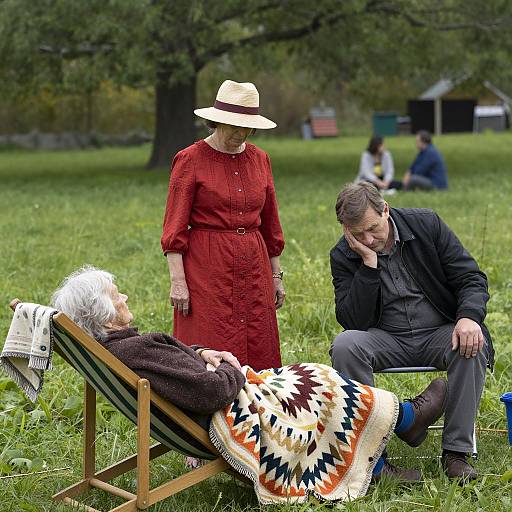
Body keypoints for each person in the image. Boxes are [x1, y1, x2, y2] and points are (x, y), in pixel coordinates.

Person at [51, 265, 448, 500]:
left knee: (307, 378)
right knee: (319, 382)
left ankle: (394, 432)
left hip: (215, 393)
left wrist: (202, 354)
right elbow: (210, 392)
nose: (123, 296)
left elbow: (178, 371)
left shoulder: (120, 350)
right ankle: (404, 424)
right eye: (114, 295)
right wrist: (232, 369)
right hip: (226, 410)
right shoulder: (135, 352)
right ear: (104, 317)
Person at [329, 182, 491, 480]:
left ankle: (456, 454)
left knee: (473, 343)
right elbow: (352, 320)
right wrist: (368, 264)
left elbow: (470, 277)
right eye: (357, 233)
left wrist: (469, 317)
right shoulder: (344, 255)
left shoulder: (425, 224)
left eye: (373, 228)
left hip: (439, 331)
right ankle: (374, 461)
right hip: (386, 338)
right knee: (345, 344)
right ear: (345, 230)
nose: (368, 238)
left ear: (386, 210)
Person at [161, 80, 285, 373]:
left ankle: (258, 411)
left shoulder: (260, 159)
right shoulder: (190, 159)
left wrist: (276, 275)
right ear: (216, 121)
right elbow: (174, 228)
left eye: (246, 127)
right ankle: (205, 412)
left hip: (254, 266)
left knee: (258, 343)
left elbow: (271, 224)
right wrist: (178, 281)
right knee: (209, 342)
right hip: (206, 268)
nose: (240, 133)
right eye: (233, 126)